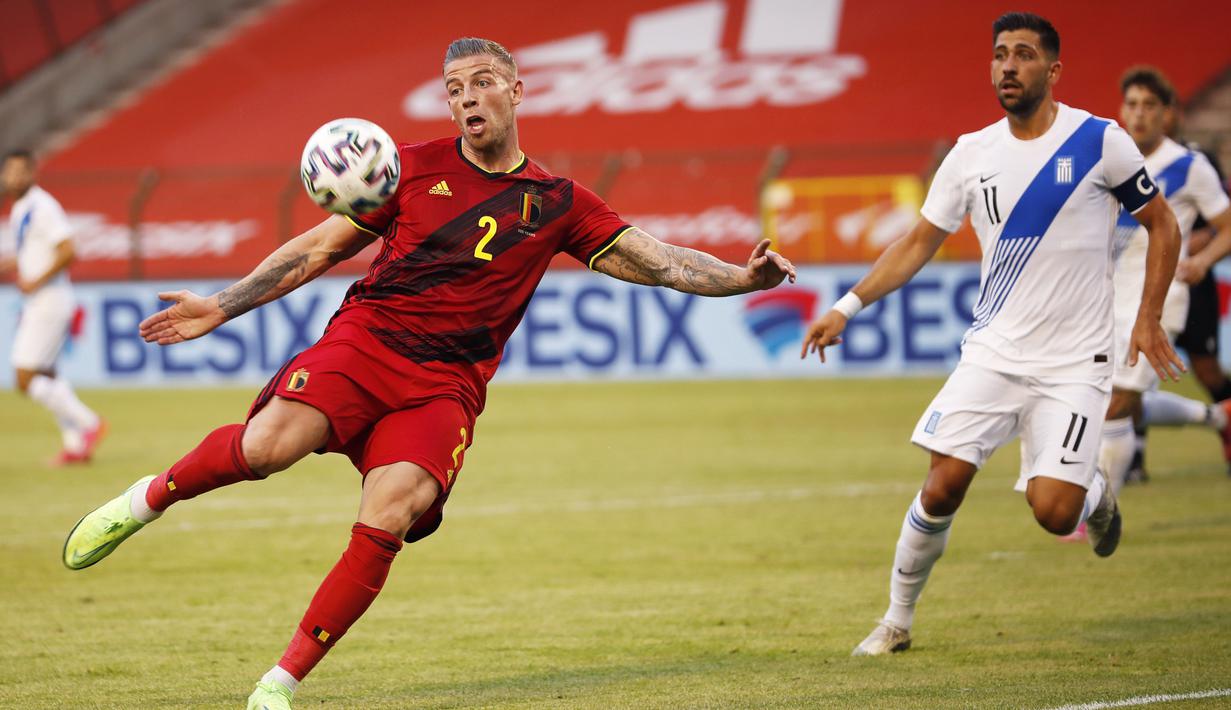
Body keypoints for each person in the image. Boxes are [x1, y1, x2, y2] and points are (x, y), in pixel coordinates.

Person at [60, 38, 796, 709]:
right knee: (266, 449)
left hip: (446, 384)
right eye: (453, 89)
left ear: (516, 90)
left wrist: (742, 278)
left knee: (392, 508)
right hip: (367, 343)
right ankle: (145, 500)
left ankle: (276, 686)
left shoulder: (560, 203)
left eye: (481, 83)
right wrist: (220, 305)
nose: (466, 98)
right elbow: (315, 251)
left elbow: (661, 262)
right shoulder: (404, 168)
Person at [800, 13, 1184, 656]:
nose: (1008, 66)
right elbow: (920, 240)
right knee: (942, 482)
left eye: (1025, 55)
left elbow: (1164, 225)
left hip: (1074, 365)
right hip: (994, 354)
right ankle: (897, 621)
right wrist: (846, 305)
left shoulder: (1099, 141)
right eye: (1000, 54)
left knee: (1053, 513)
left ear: (1052, 70)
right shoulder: (971, 153)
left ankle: (1092, 490)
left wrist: (1145, 316)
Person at [1093, 66, 1231, 498]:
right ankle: (1220, 418)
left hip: (1160, 301)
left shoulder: (1188, 166)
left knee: (1116, 403)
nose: (1139, 115)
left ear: (1167, 114)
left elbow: (1228, 223)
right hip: (1107, 300)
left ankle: (1100, 511)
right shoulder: (1111, 159)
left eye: (1149, 106)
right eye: (1131, 105)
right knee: (1109, 402)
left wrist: (1204, 259)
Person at [1, 150, 105, 465]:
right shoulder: (21, 208)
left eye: (22, 171)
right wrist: (14, 263)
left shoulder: (42, 206)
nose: (15, 178)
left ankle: (90, 423)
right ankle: (75, 445)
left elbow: (68, 249)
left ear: (33, 172)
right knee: (48, 374)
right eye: (10, 172)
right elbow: (39, 250)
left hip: (49, 301)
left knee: (24, 377)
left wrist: (36, 280)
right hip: (41, 301)